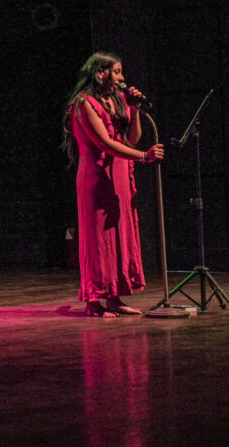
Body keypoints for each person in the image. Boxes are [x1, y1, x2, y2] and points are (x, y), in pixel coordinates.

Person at [61, 52, 164, 318]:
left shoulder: (117, 100)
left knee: (118, 236)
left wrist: (135, 109)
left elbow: (131, 139)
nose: (122, 78)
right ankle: (93, 301)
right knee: (99, 240)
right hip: (96, 178)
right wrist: (144, 157)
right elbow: (105, 143)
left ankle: (114, 297)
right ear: (100, 74)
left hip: (119, 174)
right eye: (116, 72)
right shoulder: (84, 103)